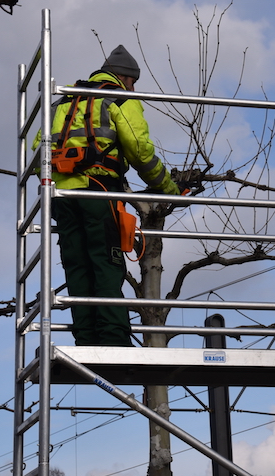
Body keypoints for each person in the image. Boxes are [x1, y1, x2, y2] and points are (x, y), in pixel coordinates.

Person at [48, 45, 180, 346]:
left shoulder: (63, 102)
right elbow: (140, 150)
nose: (133, 88)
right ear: (125, 77)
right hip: (100, 191)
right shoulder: (119, 98)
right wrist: (167, 188)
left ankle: (86, 337)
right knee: (107, 262)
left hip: (62, 197)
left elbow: (36, 154)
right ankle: (113, 337)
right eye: (133, 82)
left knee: (77, 264)